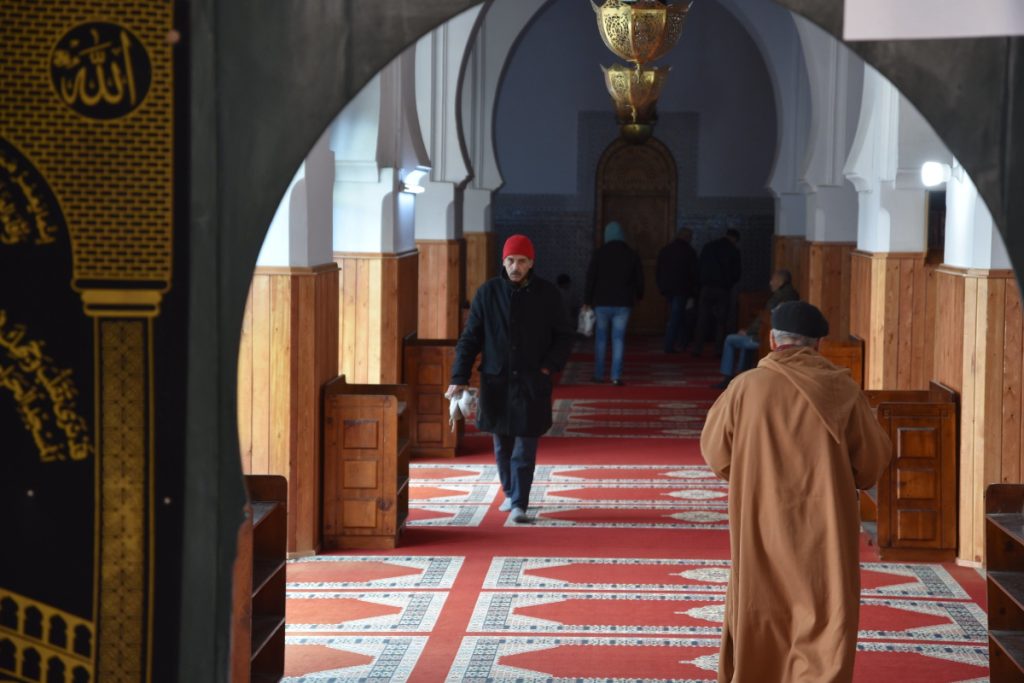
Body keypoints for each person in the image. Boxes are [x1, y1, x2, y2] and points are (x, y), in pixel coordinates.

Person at [700, 301, 892, 683]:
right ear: (817, 345)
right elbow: (871, 464)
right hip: (826, 525)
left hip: (761, 518)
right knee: (824, 607)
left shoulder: (745, 388)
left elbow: (715, 453)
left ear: (772, 340)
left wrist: (753, 476)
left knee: (762, 601)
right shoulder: (843, 390)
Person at [446, 234, 574, 524]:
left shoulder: (547, 294)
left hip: (531, 381)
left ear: (531, 263)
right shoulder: (488, 293)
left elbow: (564, 336)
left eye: (522, 261)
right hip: (496, 381)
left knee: (525, 446)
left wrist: (547, 367)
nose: (515, 266)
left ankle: (520, 503)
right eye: (511, 260)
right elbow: (471, 338)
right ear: (503, 261)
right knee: (501, 444)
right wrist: (459, 375)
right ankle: (509, 491)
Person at [582, 221, 644, 385]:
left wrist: (587, 300)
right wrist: (639, 296)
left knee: (601, 339)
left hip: (602, 302)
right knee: (618, 339)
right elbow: (639, 279)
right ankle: (615, 376)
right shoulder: (631, 254)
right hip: (623, 303)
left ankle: (599, 375)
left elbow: (591, 278)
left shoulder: (599, 253)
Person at [714, 269, 799, 388]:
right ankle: (742, 374)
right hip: (774, 336)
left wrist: (748, 332)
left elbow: (765, 319)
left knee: (730, 339)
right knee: (742, 342)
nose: (770, 283)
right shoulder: (791, 294)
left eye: (772, 279)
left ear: (780, 281)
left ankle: (728, 376)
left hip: (764, 337)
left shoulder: (779, 297)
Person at [690, 228, 742, 356]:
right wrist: (729, 282)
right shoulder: (733, 250)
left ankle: (697, 349)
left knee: (702, 319)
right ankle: (718, 350)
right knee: (721, 321)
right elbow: (737, 273)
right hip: (723, 289)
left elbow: (699, 266)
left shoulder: (708, 247)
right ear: (734, 239)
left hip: (706, 287)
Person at [655, 226, 700, 354]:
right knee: (676, 318)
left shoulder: (666, 250)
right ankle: (670, 346)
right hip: (682, 290)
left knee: (676, 316)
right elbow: (694, 274)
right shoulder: (689, 252)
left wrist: (661, 286)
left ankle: (679, 343)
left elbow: (658, 270)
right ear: (688, 238)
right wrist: (694, 291)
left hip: (668, 289)